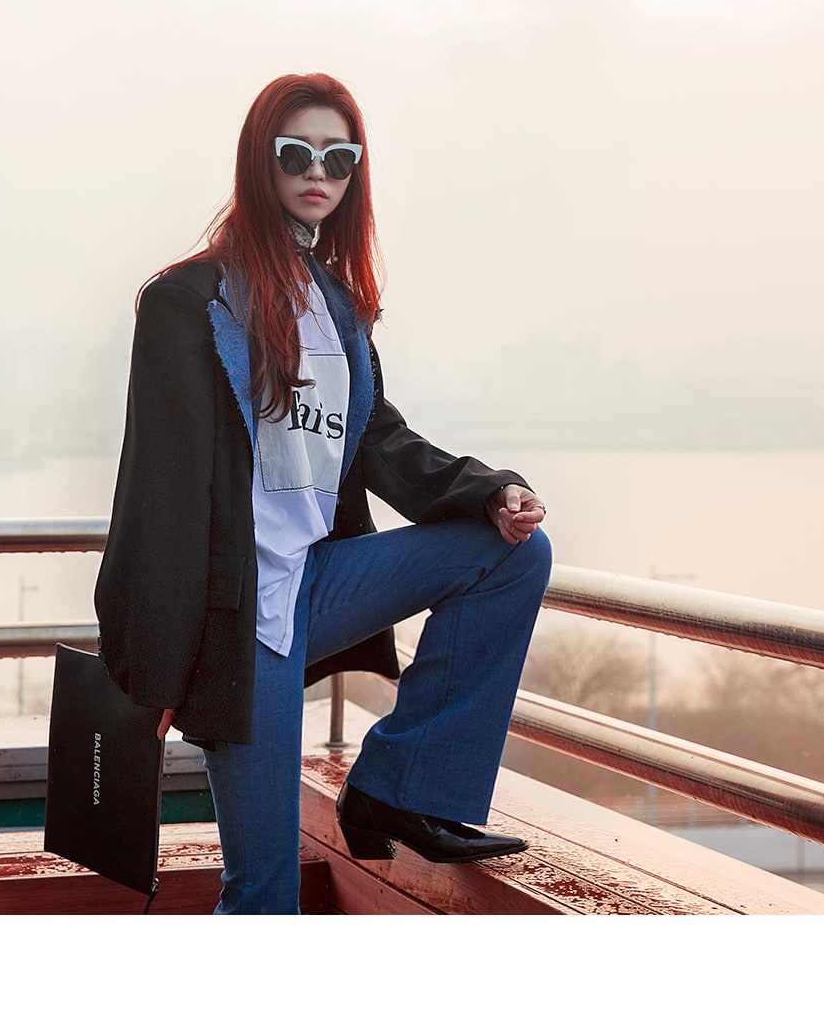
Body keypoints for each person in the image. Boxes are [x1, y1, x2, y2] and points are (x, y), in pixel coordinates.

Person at [94, 72, 551, 914]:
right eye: (296, 152)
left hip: (318, 582)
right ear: (258, 159)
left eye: (339, 158)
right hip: (241, 621)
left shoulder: (336, 304)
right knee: (265, 894)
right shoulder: (185, 300)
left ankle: (398, 788)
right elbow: (157, 497)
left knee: (512, 554)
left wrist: (491, 491)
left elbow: (378, 439)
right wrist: (150, 670)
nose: (318, 172)